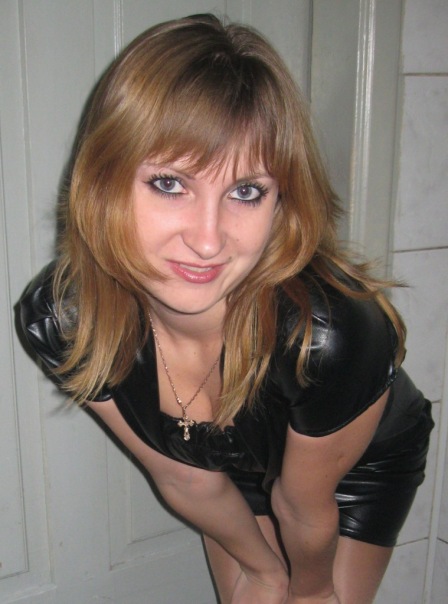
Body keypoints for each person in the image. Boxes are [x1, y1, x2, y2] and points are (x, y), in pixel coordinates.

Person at [19, 13, 433, 604]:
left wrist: (309, 592)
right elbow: (182, 476)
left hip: (354, 465)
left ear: (281, 201)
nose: (208, 240)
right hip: (228, 465)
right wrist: (263, 573)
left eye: (246, 191)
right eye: (170, 184)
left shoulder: (327, 333)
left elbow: (303, 506)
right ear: (104, 181)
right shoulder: (64, 320)